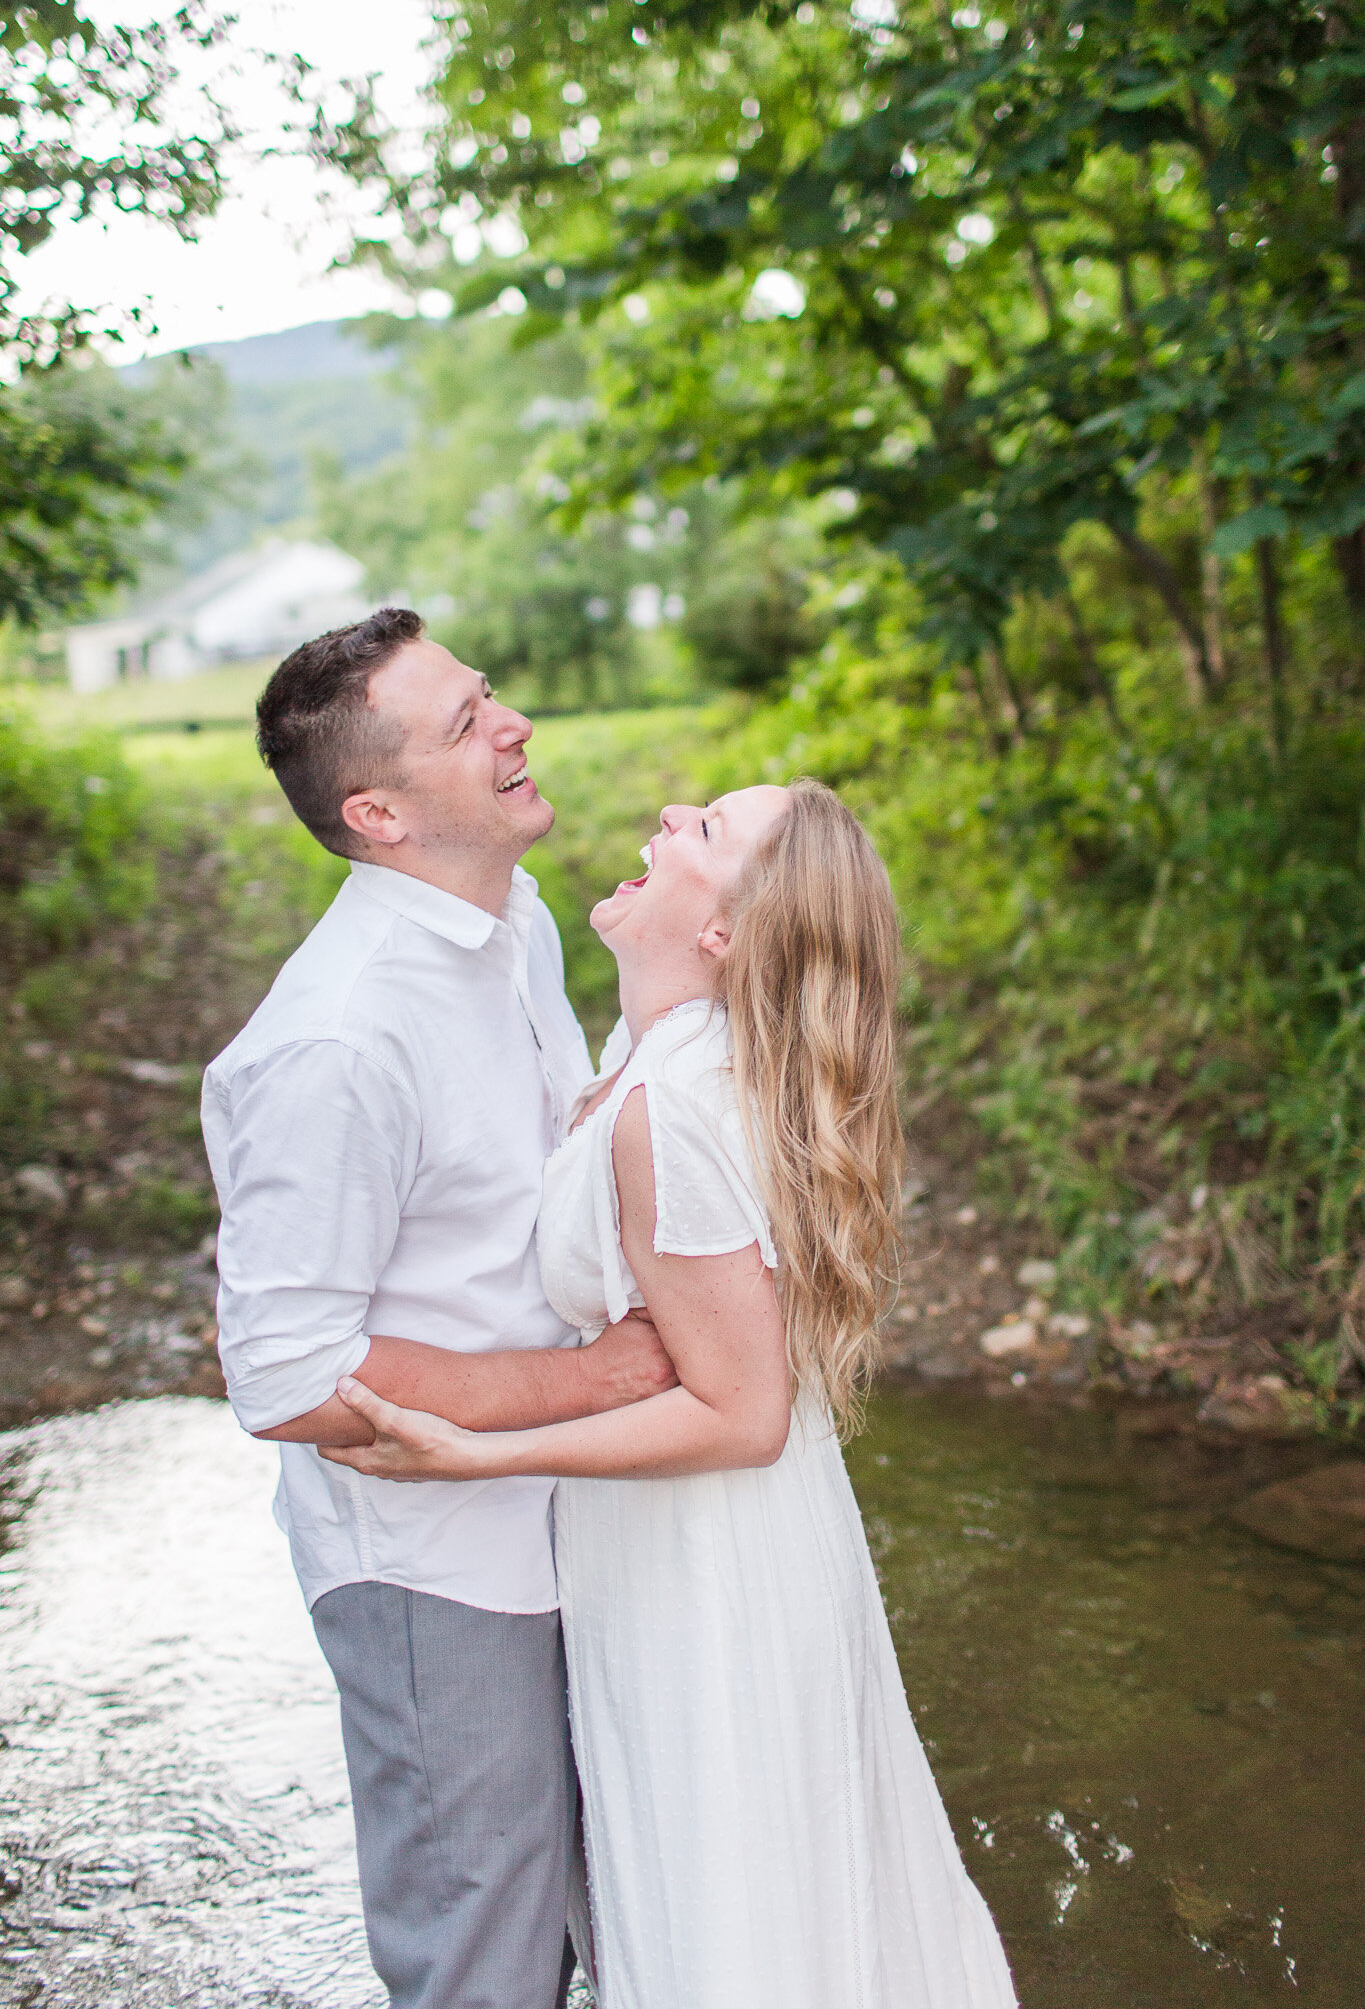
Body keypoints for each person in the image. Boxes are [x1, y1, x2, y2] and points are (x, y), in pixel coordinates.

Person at [324, 778, 1019, 2008]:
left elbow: (741, 1414)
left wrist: (475, 1452)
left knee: (734, 1905)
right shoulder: (655, 1060)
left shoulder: (673, 1106)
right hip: (690, 1544)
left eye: (703, 830)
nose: (665, 818)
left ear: (724, 935)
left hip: (712, 1566)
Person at [201, 607, 678, 2009]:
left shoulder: (513, 918)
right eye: (467, 722)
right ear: (379, 812)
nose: (512, 722)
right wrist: (597, 1384)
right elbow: (288, 1380)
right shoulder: (333, 1041)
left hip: (576, 1508)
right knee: (484, 1952)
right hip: (435, 1564)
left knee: (620, 1909)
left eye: (490, 693)